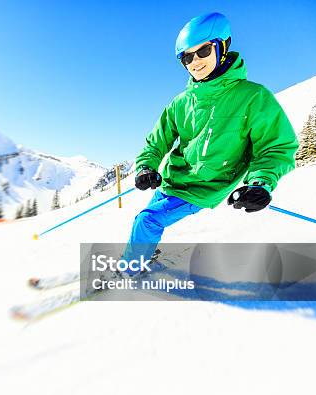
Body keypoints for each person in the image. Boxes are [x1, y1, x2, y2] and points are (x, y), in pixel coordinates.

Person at [122, 12, 298, 271]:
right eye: (187, 57)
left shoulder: (253, 97)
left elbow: (275, 147)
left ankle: (129, 270)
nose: (195, 62)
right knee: (146, 220)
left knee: (147, 221)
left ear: (223, 47)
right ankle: (143, 253)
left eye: (203, 50)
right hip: (174, 179)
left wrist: (260, 183)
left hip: (206, 185)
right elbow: (156, 142)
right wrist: (146, 166)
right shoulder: (181, 103)